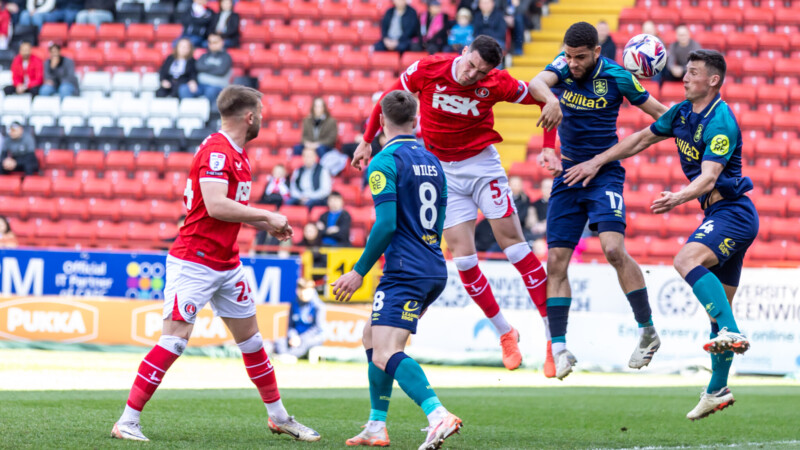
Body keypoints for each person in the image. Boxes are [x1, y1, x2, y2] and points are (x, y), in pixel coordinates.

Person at [110, 85, 320, 443]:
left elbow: (229, 210)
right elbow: (215, 205)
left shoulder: (237, 153)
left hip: (226, 262)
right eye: (262, 113)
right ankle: (127, 421)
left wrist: (265, 223)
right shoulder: (219, 153)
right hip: (194, 260)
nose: (264, 119)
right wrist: (267, 213)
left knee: (252, 342)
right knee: (175, 341)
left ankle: (279, 417)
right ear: (249, 117)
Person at [565, 49, 754, 419]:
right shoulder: (681, 113)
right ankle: (717, 389)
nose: (684, 77)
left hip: (734, 212)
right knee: (718, 315)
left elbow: (710, 177)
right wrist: (598, 160)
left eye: (693, 72)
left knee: (685, 259)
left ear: (713, 80)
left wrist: (679, 197)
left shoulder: (721, 121)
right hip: (720, 212)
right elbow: (639, 139)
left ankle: (732, 331)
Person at [353, 35, 558, 375]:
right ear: (464, 52)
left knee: (516, 248)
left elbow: (543, 101)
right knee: (463, 260)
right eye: (470, 64)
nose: (471, 75)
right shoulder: (430, 68)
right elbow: (389, 99)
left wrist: (549, 142)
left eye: (480, 72)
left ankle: (554, 337)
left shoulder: (497, 82)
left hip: (481, 165)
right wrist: (365, 140)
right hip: (441, 170)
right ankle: (505, 332)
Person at [529, 21, 669, 379]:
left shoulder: (619, 77)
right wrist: (549, 99)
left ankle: (647, 330)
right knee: (556, 260)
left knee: (612, 250)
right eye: (568, 56)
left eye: (579, 58)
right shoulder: (562, 66)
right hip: (570, 175)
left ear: (596, 53)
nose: (571, 63)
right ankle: (559, 348)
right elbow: (537, 83)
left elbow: (660, 115)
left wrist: (691, 133)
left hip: (603, 172)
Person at [333, 90, 463, 450]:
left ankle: (437, 415)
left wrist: (359, 270)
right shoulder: (433, 161)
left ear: (380, 124)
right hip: (432, 263)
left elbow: (386, 224)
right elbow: (439, 216)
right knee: (372, 338)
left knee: (386, 351)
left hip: (406, 269)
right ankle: (376, 424)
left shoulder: (384, 163)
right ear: (416, 121)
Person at [276, 279, 325, 359]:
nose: (303, 293)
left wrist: (300, 338)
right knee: (280, 341)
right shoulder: (294, 304)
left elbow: (317, 328)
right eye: (301, 290)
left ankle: (290, 356)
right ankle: (284, 356)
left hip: (312, 337)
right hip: (296, 337)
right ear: (297, 290)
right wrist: (293, 336)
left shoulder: (318, 306)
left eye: (306, 290)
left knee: (305, 343)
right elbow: (290, 326)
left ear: (312, 291)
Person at [194, 32, 232, 105]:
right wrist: (214, 68)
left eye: (215, 42)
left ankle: (206, 114)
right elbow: (198, 67)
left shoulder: (226, 57)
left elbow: (221, 71)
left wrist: (205, 68)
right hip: (200, 85)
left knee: (210, 91)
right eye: (210, 42)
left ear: (222, 42)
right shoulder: (204, 56)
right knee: (185, 89)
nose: (212, 44)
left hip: (217, 86)